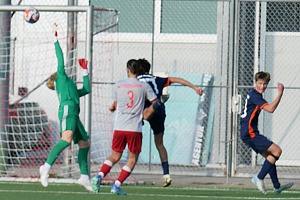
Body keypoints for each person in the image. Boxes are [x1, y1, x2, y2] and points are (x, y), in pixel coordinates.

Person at [91, 59, 169, 195]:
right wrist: (158, 102)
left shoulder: (118, 85)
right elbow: (155, 103)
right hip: (134, 128)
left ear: (127, 70)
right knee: (132, 159)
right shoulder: (144, 86)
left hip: (119, 127)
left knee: (115, 156)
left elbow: (116, 103)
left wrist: (113, 107)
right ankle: (116, 185)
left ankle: (99, 176)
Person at [39, 24, 92, 192]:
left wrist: (85, 71)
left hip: (74, 112)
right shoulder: (60, 78)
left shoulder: (69, 87)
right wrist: (55, 39)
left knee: (84, 144)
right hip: (68, 110)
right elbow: (60, 59)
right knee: (66, 140)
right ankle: (45, 167)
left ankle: (84, 176)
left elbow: (87, 89)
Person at [136, 58, 203, 187]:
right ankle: (166, 175)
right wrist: (194, 87)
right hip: (160, 111)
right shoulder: (157, 79)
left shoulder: (136, 80)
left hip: (144, 109)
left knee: (139, 122)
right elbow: (177, 79)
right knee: (159, 143)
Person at [240, 71, 294, 194]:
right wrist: (280, 94)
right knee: (277, 151)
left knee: (270, 157)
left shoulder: (255, 95)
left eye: (265, 84)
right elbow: (270, 109)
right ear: (255, 83)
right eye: (260, 83)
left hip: (247, 132)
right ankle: (258, 178)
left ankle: (276, 186)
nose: (262, 86)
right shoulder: (255, 96)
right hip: (250, 132)